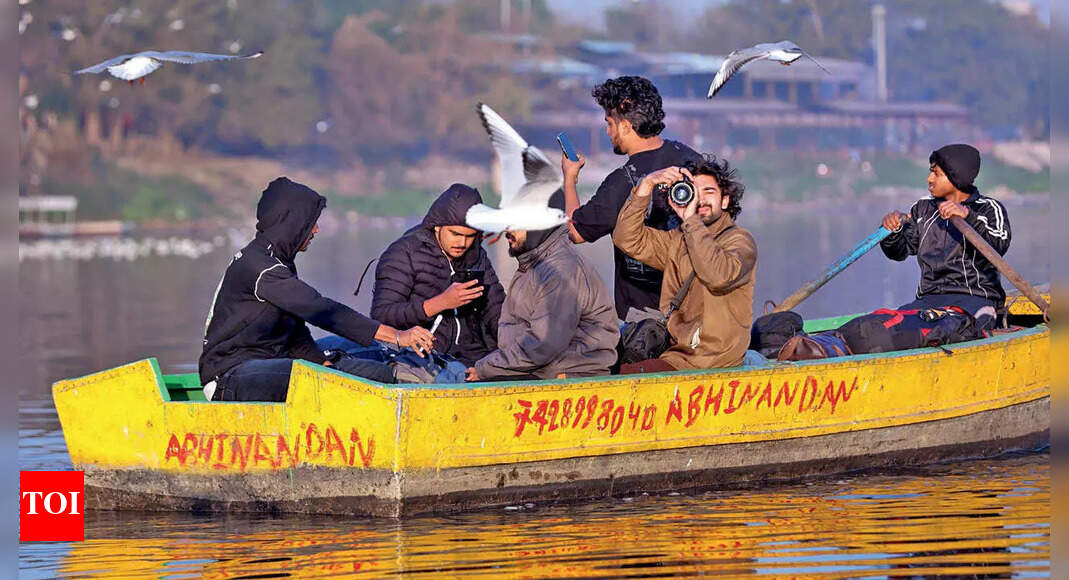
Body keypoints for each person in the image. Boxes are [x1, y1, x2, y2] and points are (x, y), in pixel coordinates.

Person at [199, 177, 434, 401]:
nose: (316, 230)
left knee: (374, 357)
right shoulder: (260, 266)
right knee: (322, 375)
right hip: (229, 377)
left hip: (272, 358)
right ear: (293, 224)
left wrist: (324, 364)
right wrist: (397, 335)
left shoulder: (280, 261)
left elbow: (295, 333)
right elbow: (321, 309)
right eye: (311, 224)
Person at [561, 75, 702, 319]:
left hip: (644, 319)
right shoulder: (693, 160)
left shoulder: (622, 181)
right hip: (696, 313)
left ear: (625, 125)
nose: (607, 131)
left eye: (609, 123)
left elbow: (574, 231)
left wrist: (569, 180)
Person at [613, 156, 757, 372]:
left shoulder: (740, 241)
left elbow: (718, 275)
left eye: (709, 192)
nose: (700, 200)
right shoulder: (678, 240)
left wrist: (690, 221)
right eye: (694, 191)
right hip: (679, 354)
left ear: (725, 201)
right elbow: (627, 239)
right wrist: (646, 186)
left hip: (712, 359)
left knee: (623, 377)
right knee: (612, 366)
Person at [466, 194, 618, 381]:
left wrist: (485, 369)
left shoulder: (560, 271)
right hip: (539, 370)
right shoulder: (535, 263)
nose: (507, 229)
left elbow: (542, 344)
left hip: (566, 376)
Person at [369, 183, 506, 366]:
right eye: (455, 234)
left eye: (470, 236)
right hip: (421, 357)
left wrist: (515, 353)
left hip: (474, 357)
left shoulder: (477, 254)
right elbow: (381, 316)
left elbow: (497, 311)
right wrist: (439, 303)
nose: (462, 243)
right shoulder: (404, 253)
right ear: (437, 226)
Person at [880, 144, 1011, 329]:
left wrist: (967, 216)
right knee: (890, 326)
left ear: (955, 177)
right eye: (930, 172)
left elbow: (999, 245)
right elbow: (898, 252)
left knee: (952, 328)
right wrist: (892, 230)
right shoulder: (923, 208)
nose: (929, 179)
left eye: (936, 174)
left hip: (976, 300)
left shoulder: (989, 208)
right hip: (928, 300)